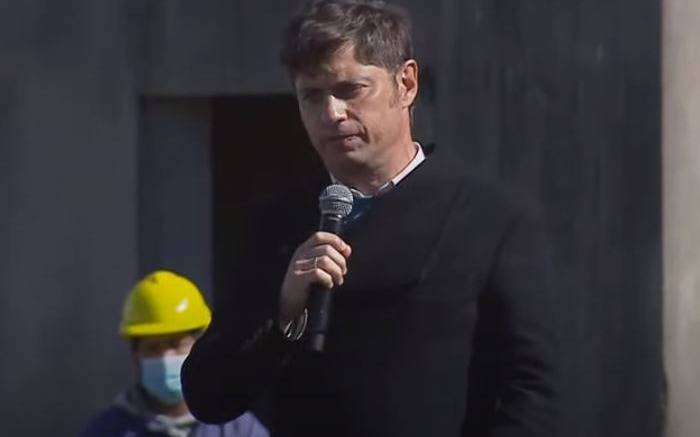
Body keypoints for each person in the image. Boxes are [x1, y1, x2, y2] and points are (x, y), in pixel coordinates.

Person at [182, 1, 562, 436]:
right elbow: (208, 396)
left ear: (406, 83)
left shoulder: (491, 218)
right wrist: (284, 313)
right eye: (312, 96)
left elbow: (534, 393)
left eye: (350, 90)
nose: (332, 113)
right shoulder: (276, 225)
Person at [81, 270, 269, 437]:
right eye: (153, 347)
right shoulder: (106, 431)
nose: (166, 357)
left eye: (175, 344)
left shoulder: (241, 431)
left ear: (201, 346)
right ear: (136, 356)